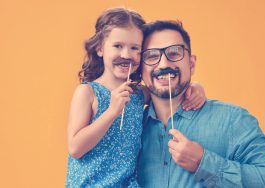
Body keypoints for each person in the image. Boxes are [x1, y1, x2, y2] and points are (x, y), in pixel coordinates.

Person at [137, 20, 265, 188]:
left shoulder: (233, 120)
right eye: (151, 56)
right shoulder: (131, 127)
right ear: (140, 69)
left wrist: (203, 163)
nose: (164, 64)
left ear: (191, 64)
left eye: (174, 53)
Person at [65, 8, 206, 187]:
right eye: (118, 46)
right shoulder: (88, 92)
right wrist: (111, 112)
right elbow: (75, 148)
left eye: (135, 48)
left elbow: (164, 87)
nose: (126, 55)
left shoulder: (139, 94)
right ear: (100, 48)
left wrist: (195, 86)